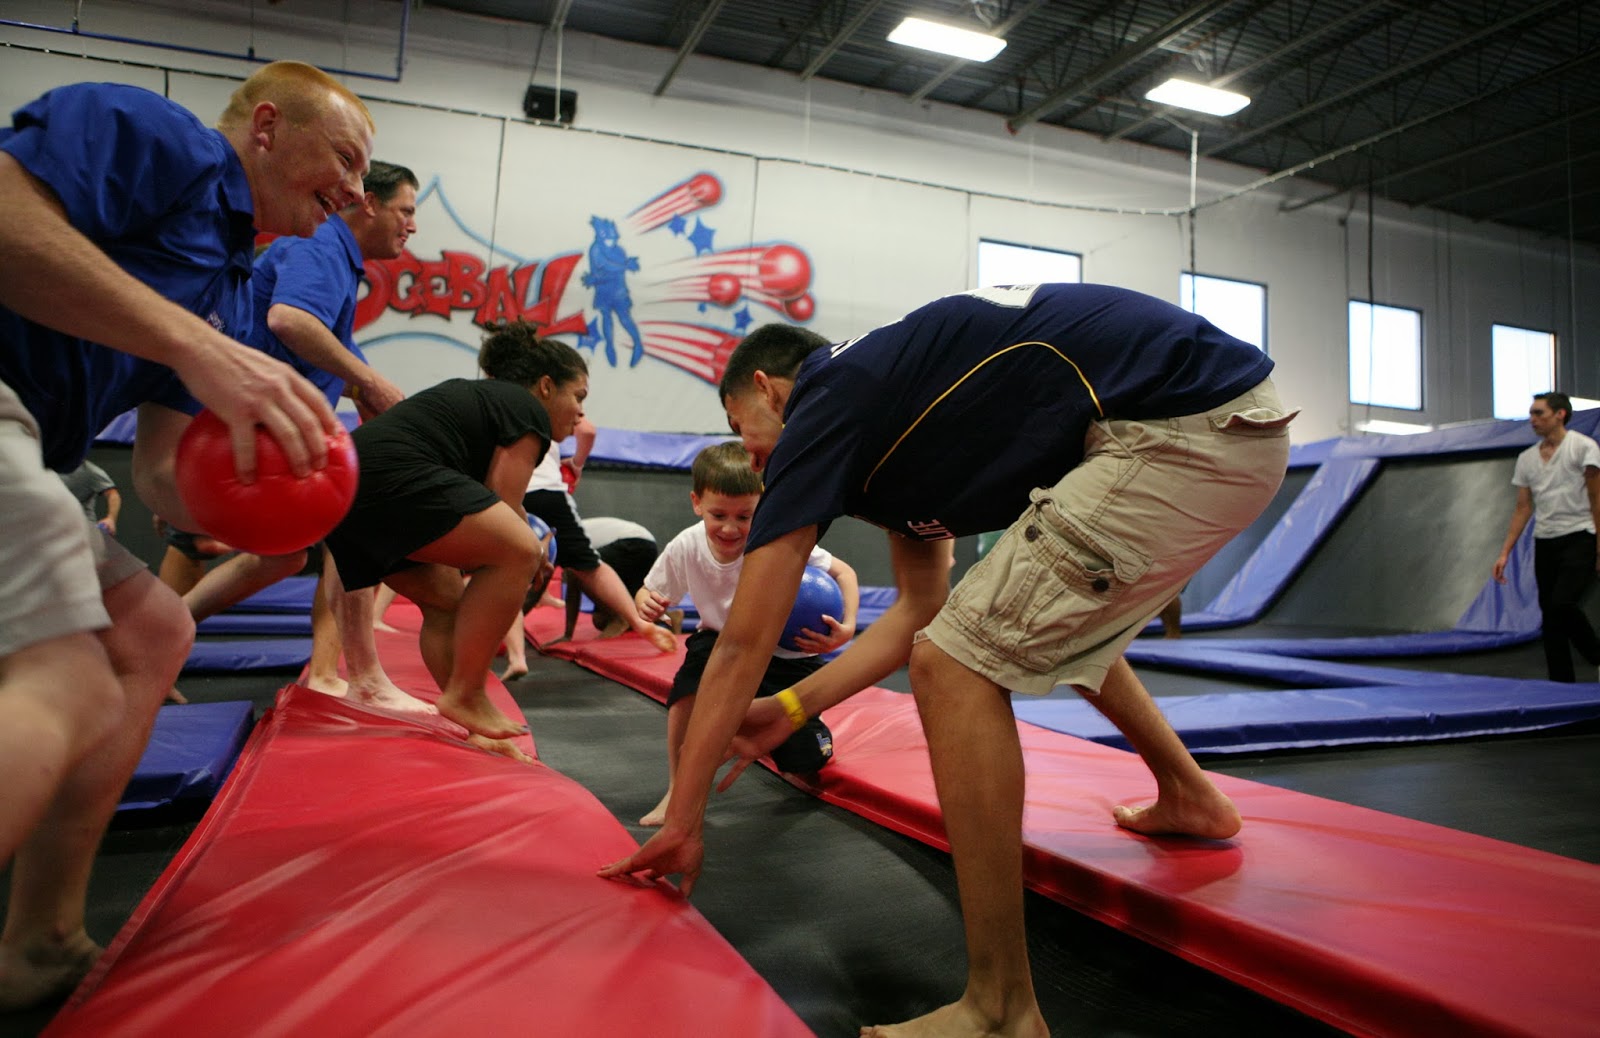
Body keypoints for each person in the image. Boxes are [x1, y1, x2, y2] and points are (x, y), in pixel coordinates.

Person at [601, 283, 1294, 1038]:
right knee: (1008, 622)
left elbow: (742, 641)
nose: (755, 454)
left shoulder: (831, 396)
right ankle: (1190, 795)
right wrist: (794, 708)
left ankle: (1001, 1010)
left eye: (745, 428)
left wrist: (687, 814)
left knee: (955, 666)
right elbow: (919, 610)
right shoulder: (901, 421)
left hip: (1181, 432)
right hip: (1218, 426)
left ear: (768, 389)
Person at [0, 61, 369, 1011]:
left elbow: (165, 472)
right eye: (346, 160)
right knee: (68, 677)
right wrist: (197, 347)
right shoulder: (155, 136)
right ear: (268, 128)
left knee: (154, 631)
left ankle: (41, 935)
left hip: (36, 451)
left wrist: (299, 511)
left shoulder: (234, 285)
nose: (358, 193)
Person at [322, 321, 580, 742]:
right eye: (579, 396)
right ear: (546, 387)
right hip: (389, 475)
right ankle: (466, 693)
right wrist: (532, 555)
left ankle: (471, 726)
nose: (581, 412)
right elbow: (505, 502)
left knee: (445, 600)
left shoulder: (480, 402)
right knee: (518, 552)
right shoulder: (525, 407)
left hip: (346, 490)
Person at [635, 441, 858, 827]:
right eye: (718, 514)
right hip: (720, 641)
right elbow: (651, 590)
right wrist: (646, 602)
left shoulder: (773, 539)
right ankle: (678, 790)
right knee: (686, 695)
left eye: (745, 516)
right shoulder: (686, 545)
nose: (730, 527)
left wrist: (848, 627)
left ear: (762, 507)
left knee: (804, 762)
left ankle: (803, 738)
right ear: (696, 503)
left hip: (787, 652)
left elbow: (845, 573)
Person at [522, 416, 676, 654]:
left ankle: (624, 620)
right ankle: (665, 618)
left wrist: (567, 634)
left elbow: (571, 582)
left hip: (633, 543)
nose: (597, 617)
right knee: (629, 595)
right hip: (640, 543)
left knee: (581, 572)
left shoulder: (555, 536)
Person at [1492, 391, 1600, 682]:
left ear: (1560, 414)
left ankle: (1596, 655)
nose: (1533, 419)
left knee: (1562, 603)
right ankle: (1560, 685)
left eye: (1539, 413)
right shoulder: (1527, 459)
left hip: (1580, 535)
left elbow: (1596, 498)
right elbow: (1522, 508)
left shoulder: (1583, 447)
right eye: (1531, 414)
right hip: (1546, 541)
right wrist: (1505, 552)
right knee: (1550, 618)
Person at [57, 460, 122, 536]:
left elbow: (112, 494)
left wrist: (111, 519)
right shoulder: (46, 468)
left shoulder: (90, 471)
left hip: (83, 530)